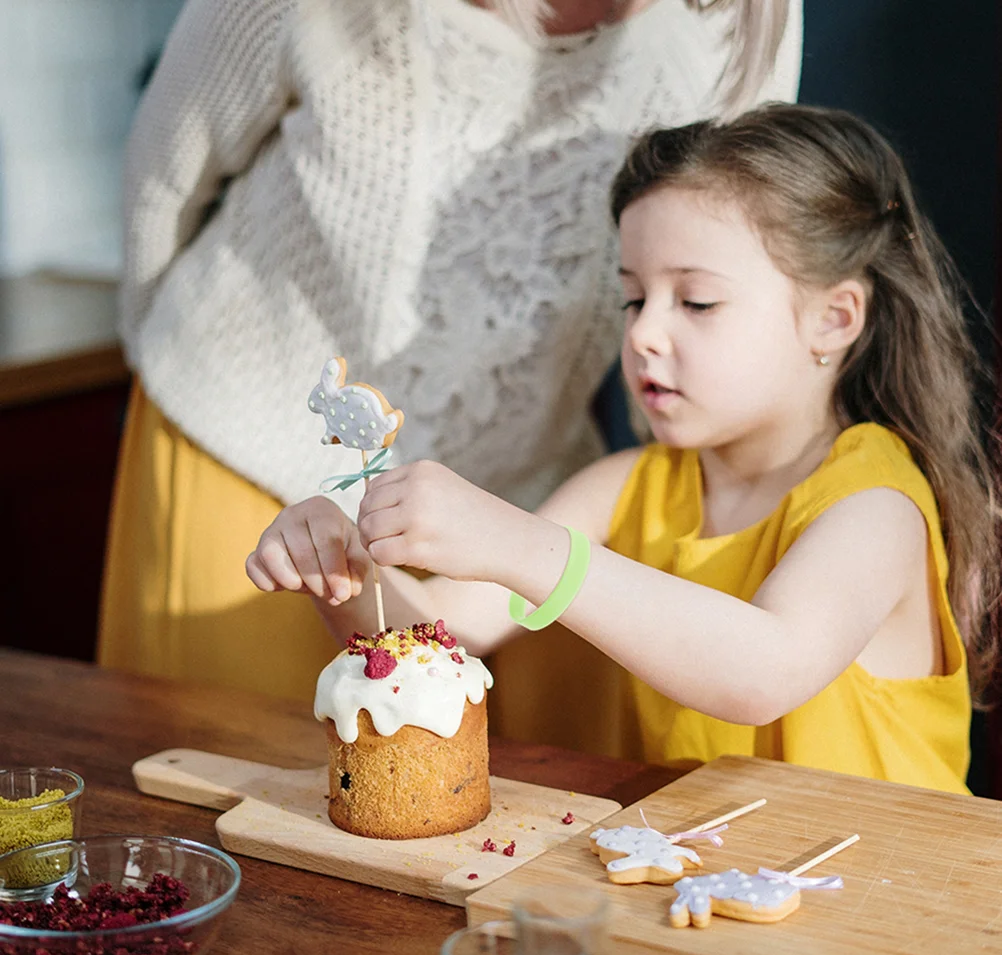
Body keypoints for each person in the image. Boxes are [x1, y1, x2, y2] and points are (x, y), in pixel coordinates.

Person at [247, 103, 1000, 793]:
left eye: (696, 301)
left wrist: (517, 541)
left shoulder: (878, 507)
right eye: (633, 298)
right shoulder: (627, 484)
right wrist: (346, 568)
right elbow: (438, 636)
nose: (642, 333)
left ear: (833, 320)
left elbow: (763, 670)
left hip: (894, 906)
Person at [97, 0, 801, 700]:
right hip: (253, 467)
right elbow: (163, 181)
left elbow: (731, 257)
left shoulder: (747, 18)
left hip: (533, 507)